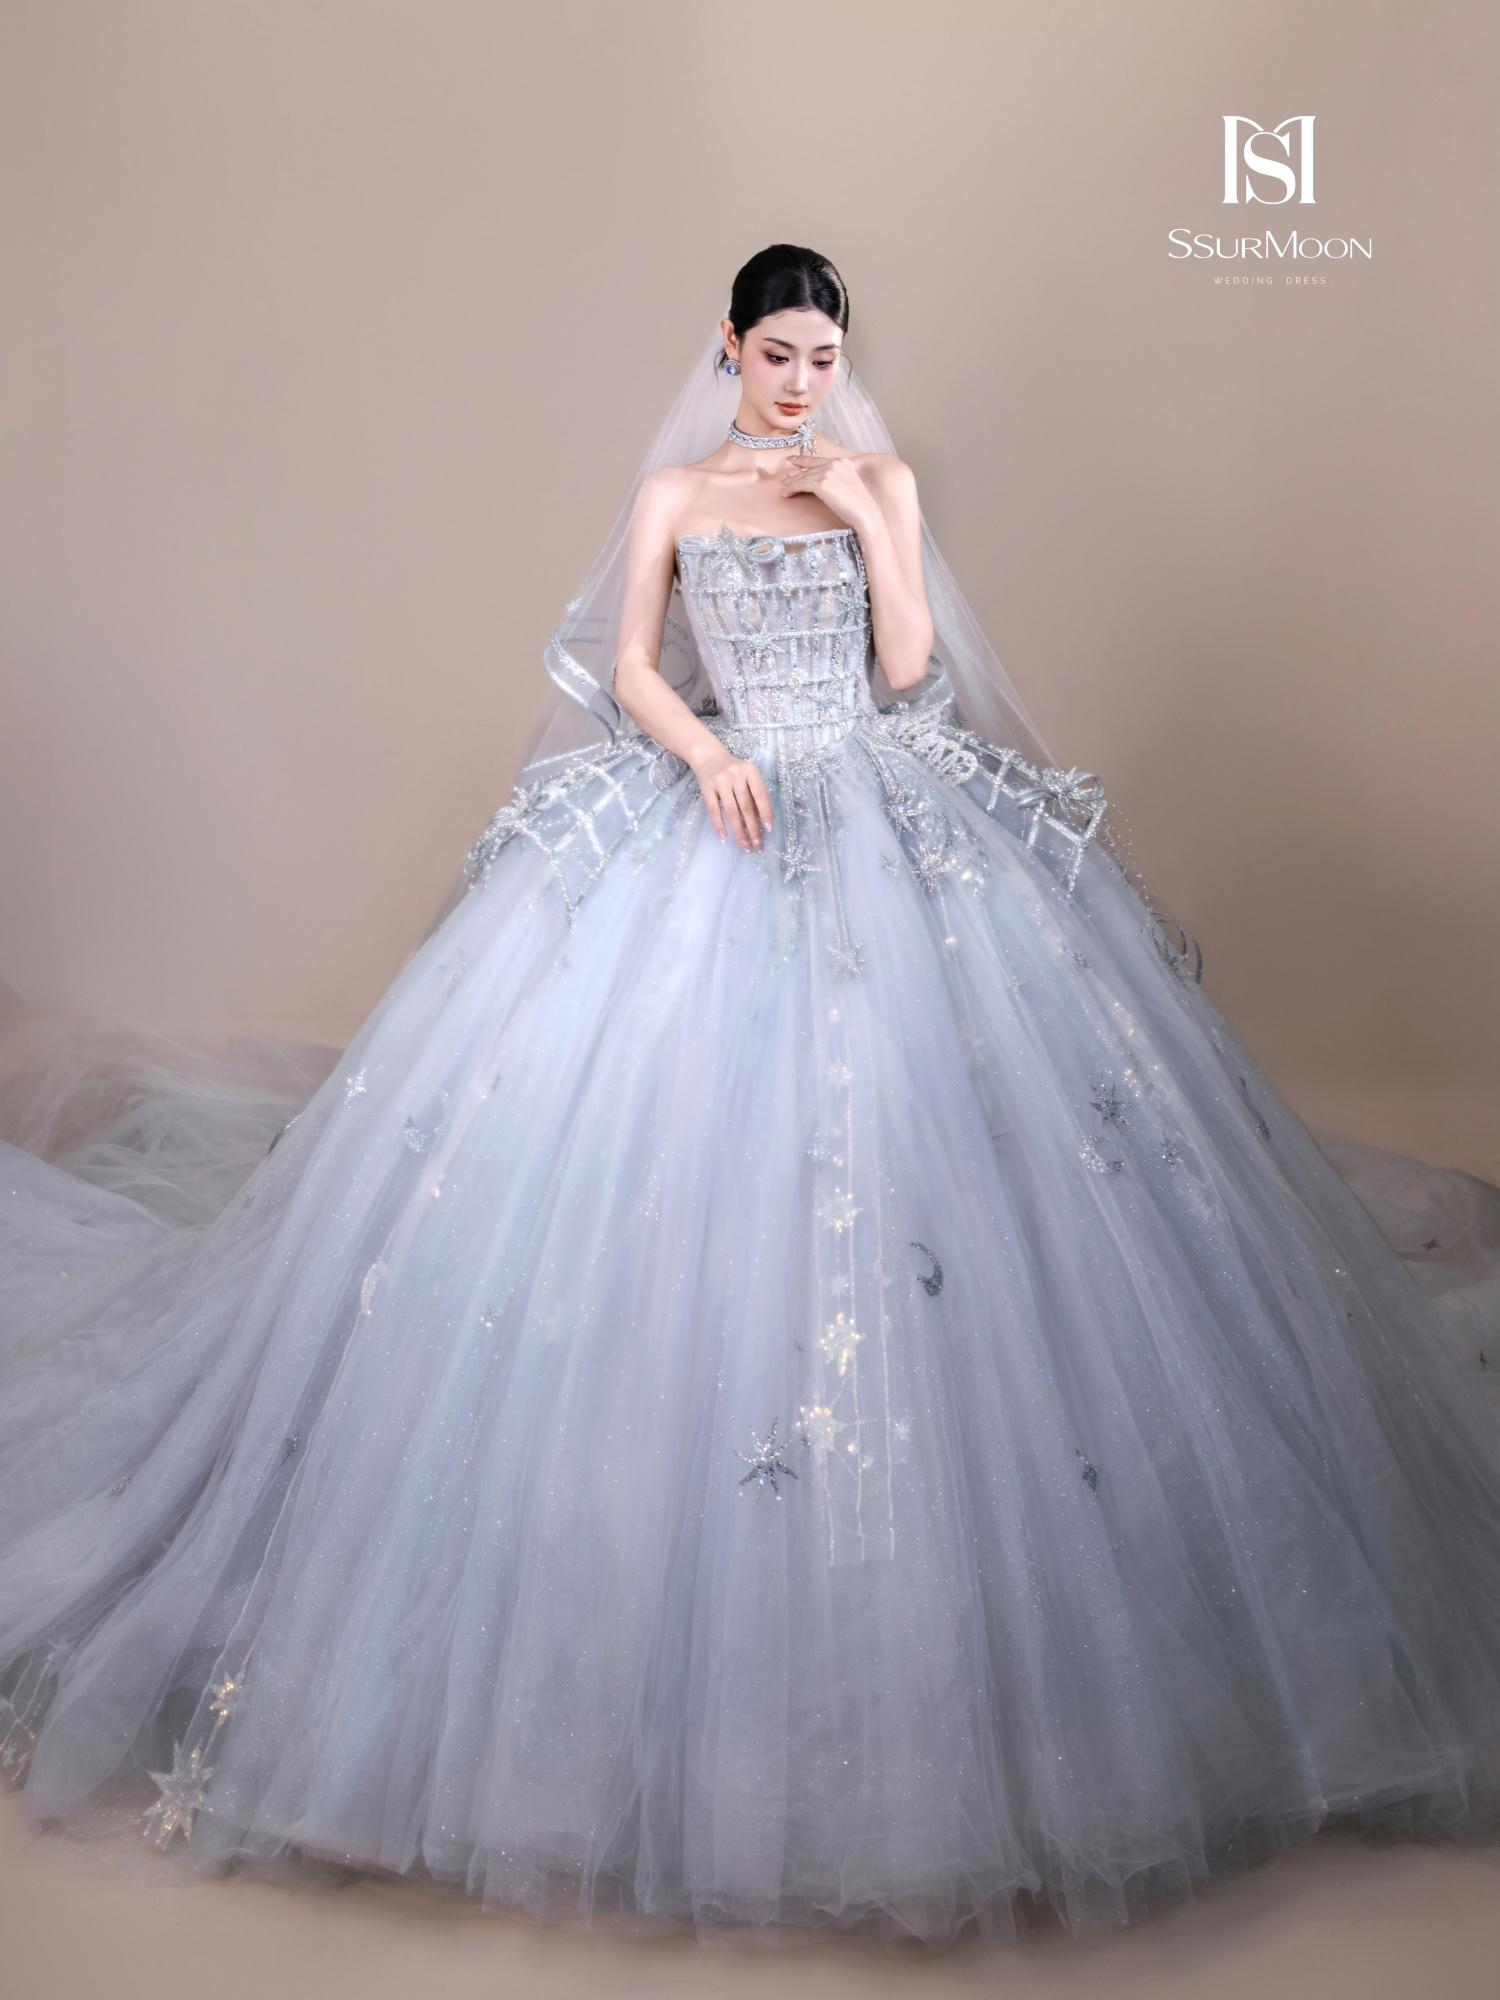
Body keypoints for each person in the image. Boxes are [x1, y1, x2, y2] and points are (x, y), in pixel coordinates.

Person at [3, 242, 1500, 1952]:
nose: (802, 384)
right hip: (718, 806)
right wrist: (708, 752)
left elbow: (914, 672)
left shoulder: (877, 479)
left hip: (875, 798)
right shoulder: (675, 494)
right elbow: (634, 667)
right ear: (727, 347)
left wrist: (872, 520)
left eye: (824, 356)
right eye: (777, 353)